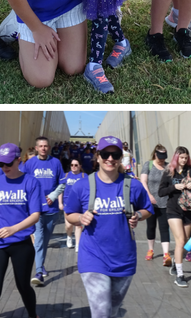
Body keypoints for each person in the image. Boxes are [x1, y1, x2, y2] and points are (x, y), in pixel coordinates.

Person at [65, 136, 153, 318]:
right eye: (105, 154)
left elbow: (148, 210)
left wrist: (138, 215)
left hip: (124, 259)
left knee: (112, 311)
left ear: (121, 157)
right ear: (97, 157)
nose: (110, 159)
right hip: (93, 257)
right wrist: (81, 217)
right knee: (101, 313)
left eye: (115, 155)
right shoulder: (82, 186)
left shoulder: (133, 185)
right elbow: (69, 215)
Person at [0, 143, 42, 318]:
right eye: (1, 164)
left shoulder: (31, 182)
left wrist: (14, 229)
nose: (5, 168)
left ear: (18, 160)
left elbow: (35, 215)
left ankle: (32, 314)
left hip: (21, 243)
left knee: (23, 285)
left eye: (8, 163)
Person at [21, 136, 64, 286]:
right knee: (38, 239)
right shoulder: (30, 164)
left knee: (45, 241)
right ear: (37, 148)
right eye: (41, 146)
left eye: (46, 146)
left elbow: (62, 182)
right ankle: (38, 272)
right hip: (36, 209)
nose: (43, 148)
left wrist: (53, 195)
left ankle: (41, 265)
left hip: (51, 210)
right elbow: (22, 181)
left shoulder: (56, 163)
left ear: (49, 147)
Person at [159, 146, 191, 287]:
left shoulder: (190, 171)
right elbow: (161, 191)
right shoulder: (169, 172)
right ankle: (180, 275)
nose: (184, 160)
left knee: (186, 242)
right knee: (180, 241)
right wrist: (174, 188)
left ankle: (176, 264)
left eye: (186, 158)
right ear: (176, 157)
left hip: (189, 209)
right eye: (181, 157)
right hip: (173, 210)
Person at [140, 144, 172, 265]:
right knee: (151, 226)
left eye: (164, 156)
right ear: (155, 154)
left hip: (164, 202)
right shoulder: (148, 165)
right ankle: (151, 250)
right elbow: (143, 181)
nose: (162, 159)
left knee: (164, 228)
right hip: (150, 203)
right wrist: (149, 195)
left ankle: (166, 254)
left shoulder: (168, 167)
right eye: (160, 156)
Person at [59, 158, 88, 249]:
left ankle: (78, 244)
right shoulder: (66, 175)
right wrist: (60, 203)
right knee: (68, 225)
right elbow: (61, 190)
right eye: (72, 165)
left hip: (80, 203)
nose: (73, 167)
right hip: (67, 202)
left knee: (78, 224)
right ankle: (69, 236)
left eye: (76, 165)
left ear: (80, 166)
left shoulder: (84, 176)